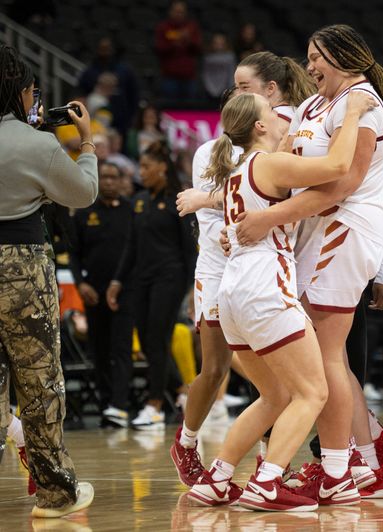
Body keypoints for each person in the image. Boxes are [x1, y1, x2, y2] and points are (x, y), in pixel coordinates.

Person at [232, 24, 383, 505]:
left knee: (326, 359)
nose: (308, 66)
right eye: (307, 57)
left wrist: (271, 217)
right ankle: (348, 464)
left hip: (343, 232)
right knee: (325, 361)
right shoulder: (312, 105)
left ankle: (340, 470)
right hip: (312, 231)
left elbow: (345, 181)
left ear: (344, 57)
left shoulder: (362, 104)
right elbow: (280, 161)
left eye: (316, 57)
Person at [187, 90, 376, 511]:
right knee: (313, 392)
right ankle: (266, 482)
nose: (279, 114)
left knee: (275, 396)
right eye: (271, 112)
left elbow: (281, 166)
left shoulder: (239, 169)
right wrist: (353, 115)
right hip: (264, 289)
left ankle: (217, 478)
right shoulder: (268, 164)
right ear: (258, 125)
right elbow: (338, 166)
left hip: (232, 294)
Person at [171, 51, 316, 488]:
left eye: (243, 86)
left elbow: (250, 195)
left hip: (246, 264)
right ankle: (189, 441)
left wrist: (206, 199)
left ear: (269, 92)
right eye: (235, 88)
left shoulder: (270, 141)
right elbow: (241, 202)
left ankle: (264, 461)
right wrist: (211, 207)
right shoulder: (210, 152)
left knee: (273, 379)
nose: (236, 92)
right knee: (215, 368)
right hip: (220, 267)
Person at [0, 44, 96, 518]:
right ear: (21, 91)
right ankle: (56, 494)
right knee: (39, 382)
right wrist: (88, 144)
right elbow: (83, 192)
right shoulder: (38, 142)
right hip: (22, 266)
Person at [107, 142, 198, 429]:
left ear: (162, 168)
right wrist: (117, 280)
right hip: (141, 280)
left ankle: (155, 404)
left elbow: (189, 250)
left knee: (158, 339)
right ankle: (183, 392)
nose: (141, 172)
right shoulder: (140, 200)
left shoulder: (178, 201)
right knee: (147, 342)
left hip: (170, 279)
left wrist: (194, 288)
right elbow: (130, 247)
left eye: (146, 167)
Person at [69, 161, 134, 428]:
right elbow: (73, 253)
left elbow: (136, 252)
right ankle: (106, 402)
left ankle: (119, 406)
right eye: (103, 177)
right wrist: (79, 284)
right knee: (99, 350)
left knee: (121, 348)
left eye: (112, 177)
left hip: (124, 292)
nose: (107, 182)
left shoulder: (132, 211)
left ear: (120, 181)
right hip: (93, 292)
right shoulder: (84, 213)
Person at [78, 37, 140, 138]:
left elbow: (133, 96)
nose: (105, 52)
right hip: (96, 124)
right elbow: (81, 94)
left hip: (121, 123)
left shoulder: (125, 71)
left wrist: (132, 118)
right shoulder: (89, 72)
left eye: (107, 48)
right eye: (102, 48)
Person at [155, 0, 202, 100]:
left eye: (181, 12)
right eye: (176, 11)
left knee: (189, 110)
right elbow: (159, 48)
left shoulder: (192, 27)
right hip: (169, 77)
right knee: (170, 106)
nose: (179, 14)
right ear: (170, 12)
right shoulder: (164, 27)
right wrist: (176, 42)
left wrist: (188, 40)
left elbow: (198, 49)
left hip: (189, 77)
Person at [201, 34, 237, 100]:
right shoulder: (207, 58)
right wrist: (209, 88)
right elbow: (205, 74)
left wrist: (230, 89)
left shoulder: (230, 57)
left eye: (221, 43)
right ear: (212, 44)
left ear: (225, 44)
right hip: (209, 90)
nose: (219, 46)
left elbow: (231, 73)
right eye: (216, 43)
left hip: (226, 90)